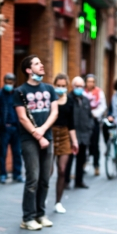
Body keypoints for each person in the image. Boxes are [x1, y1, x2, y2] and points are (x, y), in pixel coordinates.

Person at [13, 55, 58, 230]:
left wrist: (43, 130)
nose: (42, 65)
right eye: (37, 63)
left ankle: (41, 214)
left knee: (45, 179)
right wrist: (37, 135)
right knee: (33, 178)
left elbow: (54, 112)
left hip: (47, 137)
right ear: (28, 70)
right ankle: (28, 217)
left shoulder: (49, 88)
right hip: (29, 140)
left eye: (41, 62)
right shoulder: (20, 91)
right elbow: (22, 117)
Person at [51, 74, 78, 213]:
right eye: (58, 85)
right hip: (50, 133)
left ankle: (58, 202)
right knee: (48, 171)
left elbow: (71, 123)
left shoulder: (70, 101)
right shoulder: (50, 98)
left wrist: (75, 141)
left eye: (63, 86)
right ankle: (41, 198)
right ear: (54, 85)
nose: (60, 88)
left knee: (62, 170)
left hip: (64, 135)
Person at [64, 76, 94, 189]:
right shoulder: (67, 99)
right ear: (72, 86)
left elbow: (90, 116)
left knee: (81, 160)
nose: (79, 88)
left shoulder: (85, 99)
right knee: (69, 159)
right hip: (71, 135)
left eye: (81, 86)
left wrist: (89, 127)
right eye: (77, 86)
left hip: (84, 134)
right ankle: (66, 181)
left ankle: (79, 180)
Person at [0, 73, 23, 183]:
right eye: (6, 82)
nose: (8, 84)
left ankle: (17, 174)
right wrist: (0, 123)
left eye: (10, 83)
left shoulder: (18, 94)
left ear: (14, 83)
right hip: (4, 129)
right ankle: (3, 175)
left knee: (17, 153)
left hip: (16, 128)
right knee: (3, 153)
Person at [84, 74, 107, 176]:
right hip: (84, 121)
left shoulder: (99, 92)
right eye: (89, 81)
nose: (90, 83)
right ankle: (84, 163)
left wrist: (95, 113)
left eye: (92, 81)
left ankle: (96, 165)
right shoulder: (83, 92)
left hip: (95, 120)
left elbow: (103, 106)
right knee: (85, 144)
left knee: (95, 143)